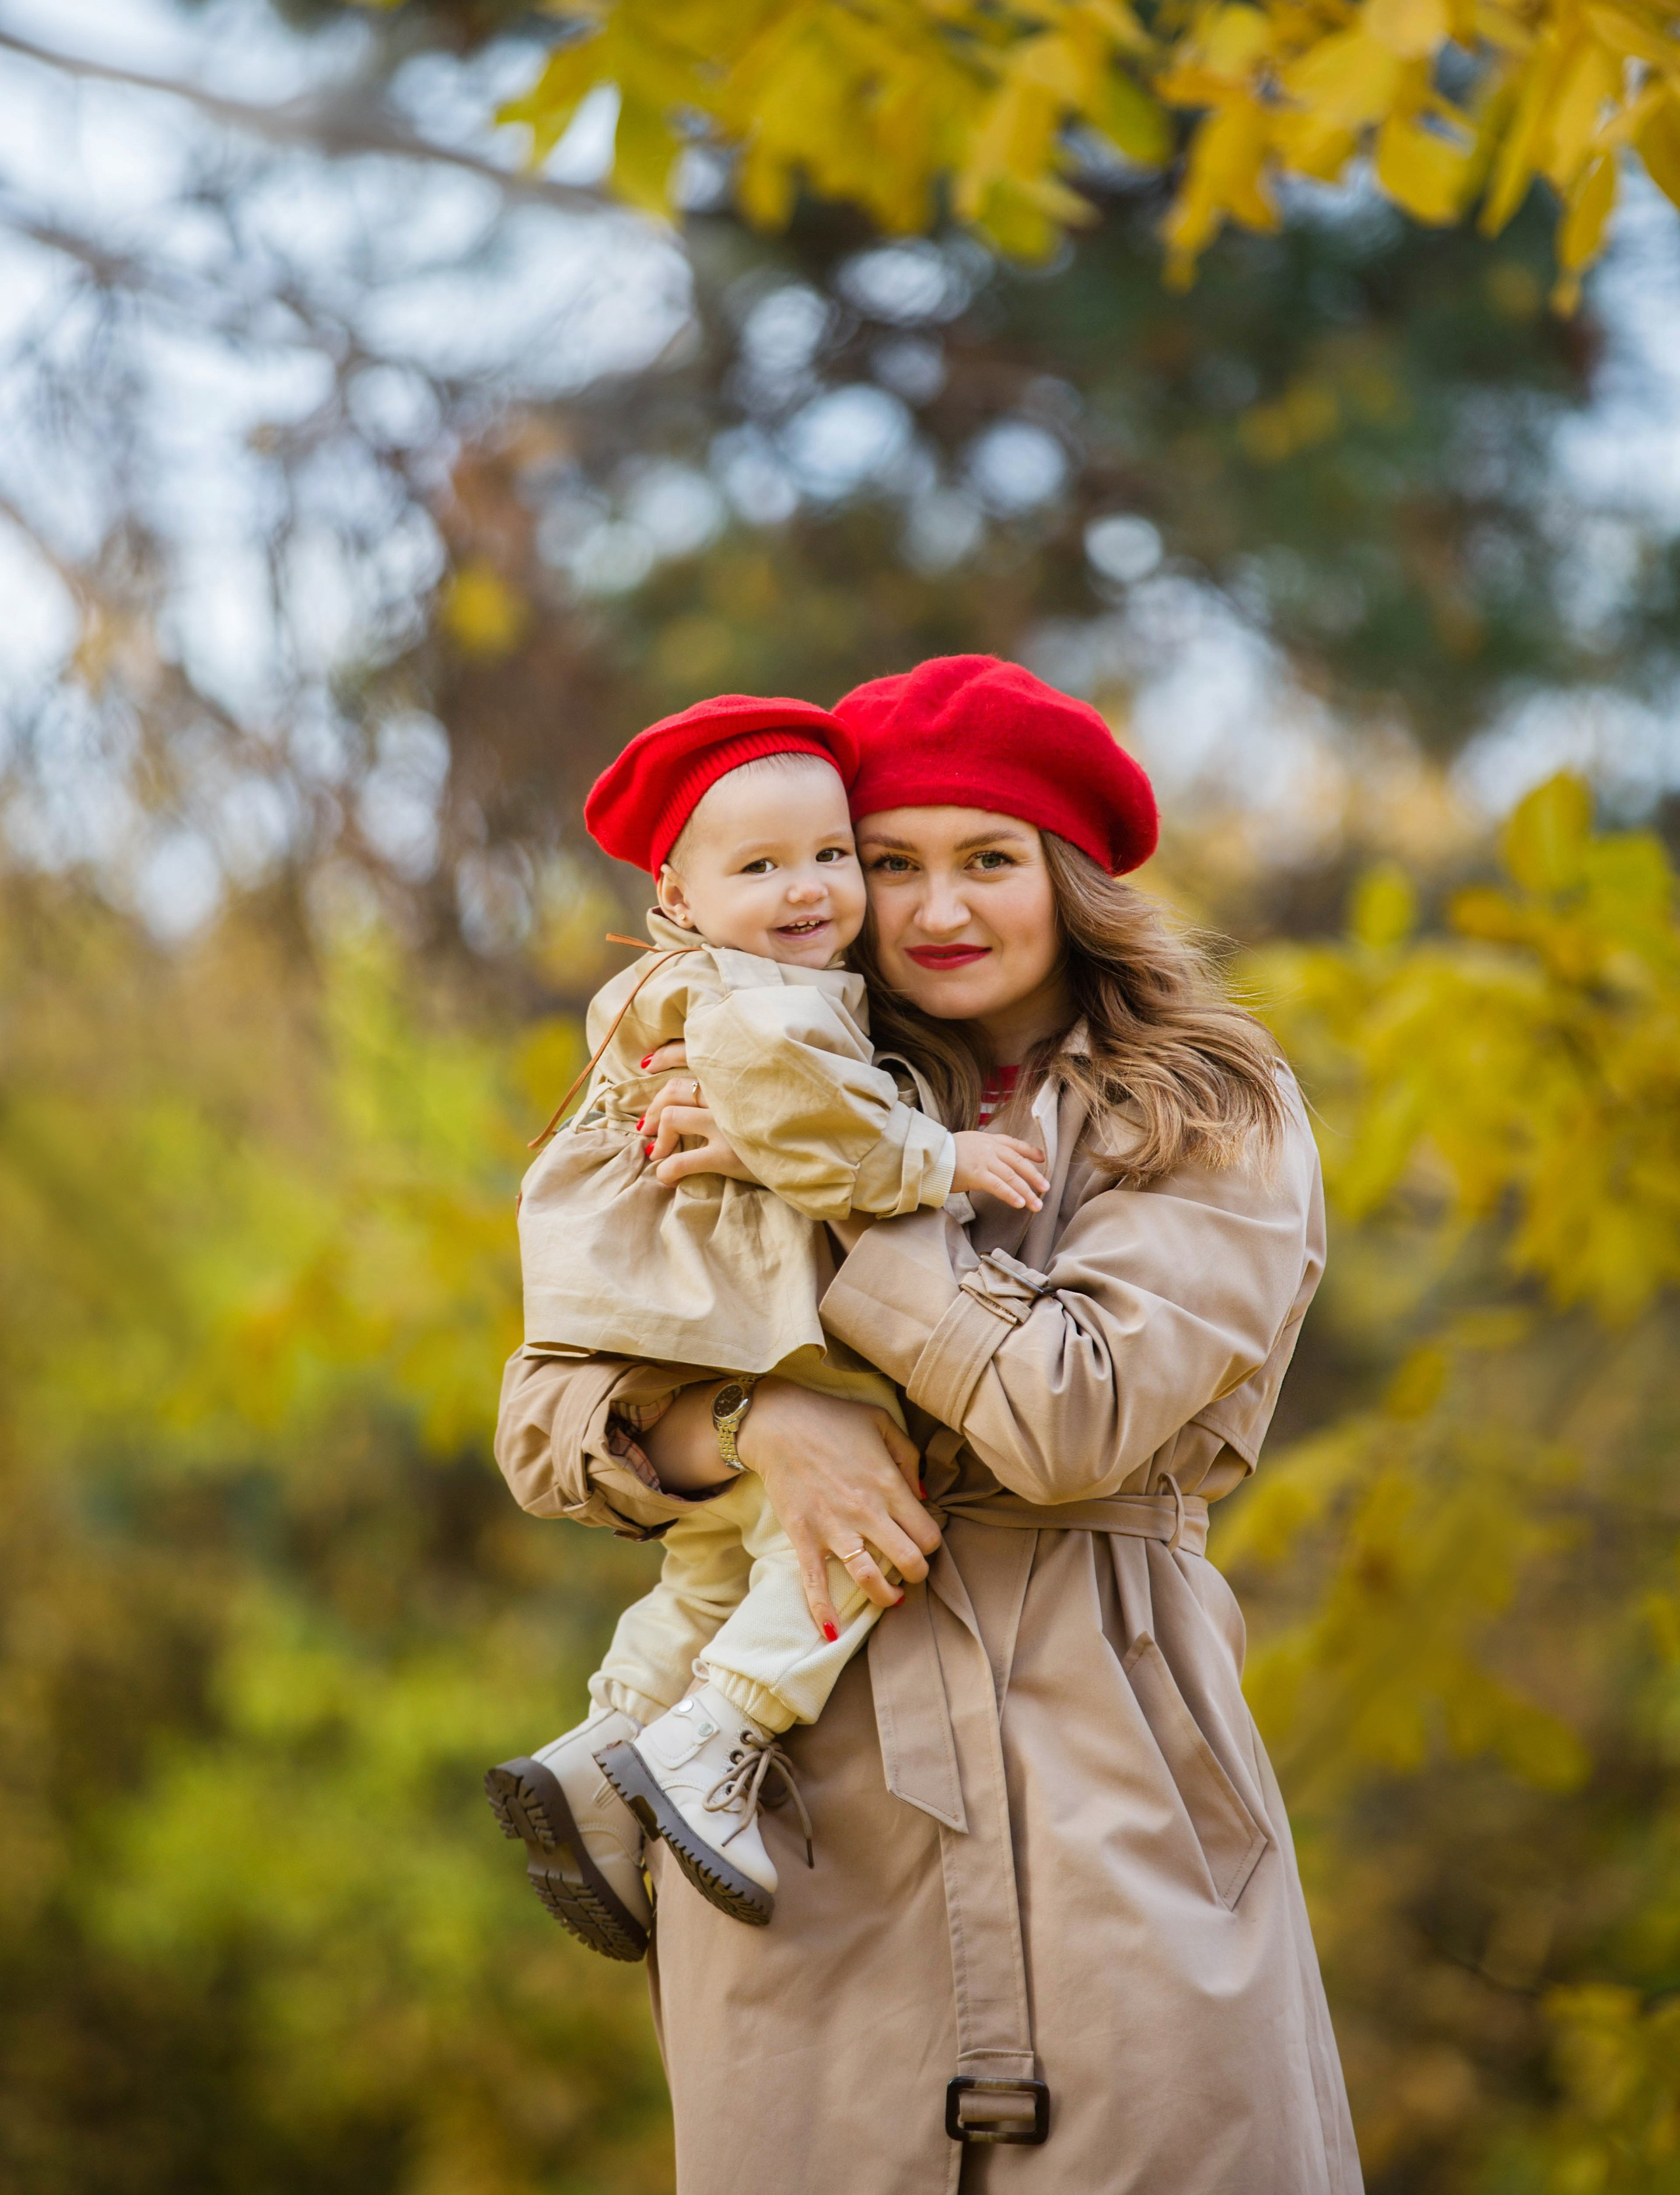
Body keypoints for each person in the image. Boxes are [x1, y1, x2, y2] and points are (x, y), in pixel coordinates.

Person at [496, 653, 1363, 2194]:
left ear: (1067, 878)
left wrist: (842, 1190)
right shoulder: (753, 1058)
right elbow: (549, 1408)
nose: (936, 906)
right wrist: (759, 1426)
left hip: (1113, 1803)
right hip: (795, 1834)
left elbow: (1071, 1416)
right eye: (887, 862)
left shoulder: (1202, 1105)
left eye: (989, 860)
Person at [487, 693, 1047, 1950]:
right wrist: (940, 1158)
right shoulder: (763, 1007)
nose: (811, 890)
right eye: (762, 867)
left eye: (834, 855)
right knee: (858, 1533)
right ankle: (715, 1736)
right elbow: (821, 1136)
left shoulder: (681, 990)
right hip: (751, 1323)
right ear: (678, 899)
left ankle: (609, 1739)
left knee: (715, 1558)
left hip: (668, 1328)